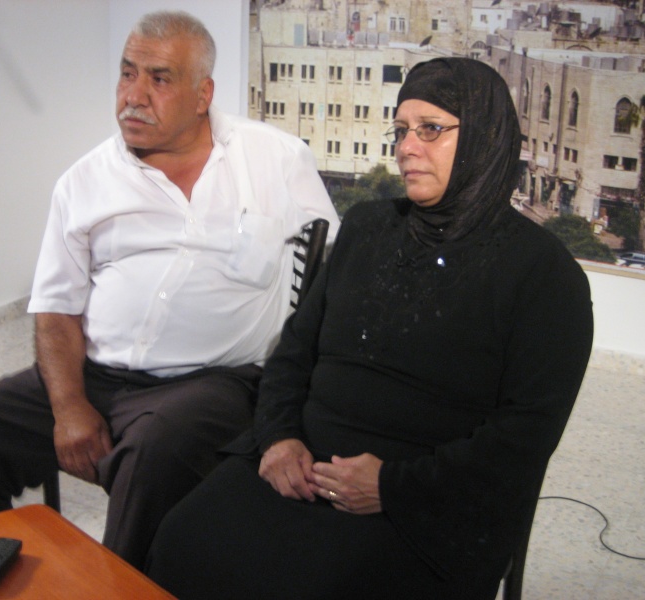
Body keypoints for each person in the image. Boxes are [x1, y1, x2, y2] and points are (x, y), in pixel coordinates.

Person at [145, 57, 594, 599]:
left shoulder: (545, 275)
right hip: (302, 466)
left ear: (483, 137)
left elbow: (525, 437)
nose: (407, 147)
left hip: (426, 503)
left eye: (431, 129)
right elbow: (293, 353)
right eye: (401, 130)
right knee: (182, 539)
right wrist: (279, 438)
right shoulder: (366, 229)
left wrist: (391, 487)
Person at [0, 10, 339, 571]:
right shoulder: (84, 182)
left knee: (154, 453)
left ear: (203, 94)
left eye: (159, 78)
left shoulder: (275, 158)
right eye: (127, 74)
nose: (133, 96)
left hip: (214, 381)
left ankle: (122, 586)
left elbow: (335, 268)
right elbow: (55, 310)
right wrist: (70, 406)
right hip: (97, 376)